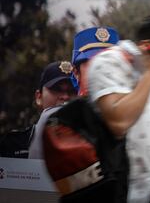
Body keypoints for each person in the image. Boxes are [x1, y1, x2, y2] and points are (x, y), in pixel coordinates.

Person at [87, 16, 150, 203]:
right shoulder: (108, 62)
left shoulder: (146, 72)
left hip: (144, 192)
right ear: (148, 46)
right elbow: (119, 123)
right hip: (114, 191)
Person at [28, 26, 120, 159]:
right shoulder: (59, 121)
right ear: (76, 73)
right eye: (95, 64)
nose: (105, 71)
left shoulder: (131, 112)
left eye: (112, 64)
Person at [0, 61, 77, 158]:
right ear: (39, 97)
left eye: (73, 91)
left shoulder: (92, 145)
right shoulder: (13, 144)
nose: (65, 96)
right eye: (56, 89)